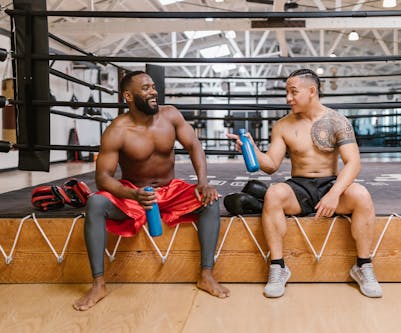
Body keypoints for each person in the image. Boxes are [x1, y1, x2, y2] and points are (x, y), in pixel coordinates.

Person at [73, 71, 230, 311]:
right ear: (128, 96)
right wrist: (133, 195)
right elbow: (103, 179)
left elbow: (193, 145)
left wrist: (203, 182)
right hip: (134, 193)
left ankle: (206, 274)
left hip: (171, 189)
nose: (153, 92)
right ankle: (98, 283)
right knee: (95, 204)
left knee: (210, 199)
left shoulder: (170, 115)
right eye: (145, 88)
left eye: (153, 87)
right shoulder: (118, 129)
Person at [227, 68, 382, 299]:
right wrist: (251, 149)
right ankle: (278, 267)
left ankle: (363, 266)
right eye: (286, 92)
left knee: (361, 194)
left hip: (330, 184)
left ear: (312, 91)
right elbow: (270, 165)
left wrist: (334, 194)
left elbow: (353, 163)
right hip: (300, 186)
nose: (288, 98)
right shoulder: (283, 125)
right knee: (274, 194)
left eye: (293, 92)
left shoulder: (337, 121)